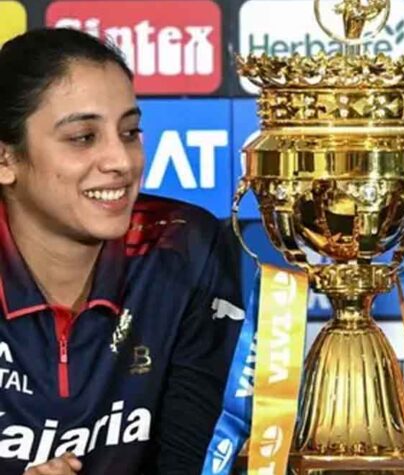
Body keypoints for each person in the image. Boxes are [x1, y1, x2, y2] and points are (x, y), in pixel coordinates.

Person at [0, 28, 244, 474]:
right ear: (5, 159)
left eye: (130, 132)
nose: (122, 161)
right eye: (83, 137)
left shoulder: (183, 246)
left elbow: (193, 460)